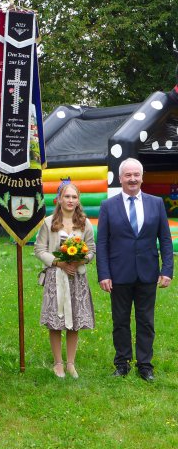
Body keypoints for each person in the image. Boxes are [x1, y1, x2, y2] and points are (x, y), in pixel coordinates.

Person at [97, 158, 173, 382]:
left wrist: (167, 269)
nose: (132, 179)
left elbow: (166, 241)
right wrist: (104, 273)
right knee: (120, 321)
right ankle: (122, 363)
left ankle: (145, 365)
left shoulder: (156, 203)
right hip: (119, 274)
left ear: (142, 176)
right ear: (120, 178)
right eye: (128, 175)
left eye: (136, 175)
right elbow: (102, 243)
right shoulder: (108, 206)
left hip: (148, 273)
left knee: (146, 321)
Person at [34, 182, 96, 378]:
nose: (70, 200)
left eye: (74, 197)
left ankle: (71, 363)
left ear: (78, 200)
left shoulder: (85, 223)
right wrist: (58, 263)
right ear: (59, 199)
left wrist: (80, 260)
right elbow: (39, 249)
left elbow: (92, 249)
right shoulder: (48, 222)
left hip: (76, 277)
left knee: (74, 320)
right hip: (56, 277)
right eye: (66, 197)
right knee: (56, 320)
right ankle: (58, 363)